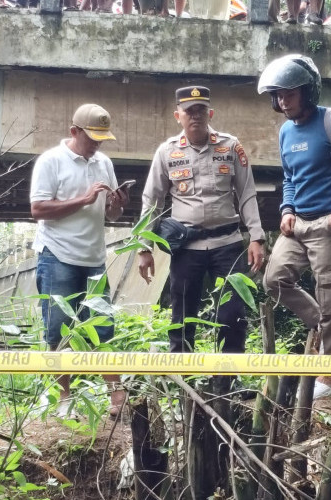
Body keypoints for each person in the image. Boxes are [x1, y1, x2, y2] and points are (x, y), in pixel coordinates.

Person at [257, 55, 331, 399]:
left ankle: (330, 375)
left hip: (329, 222)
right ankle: (320, 324)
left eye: (289, 95)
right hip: (298, 223)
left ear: (308, 92)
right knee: (274, 279)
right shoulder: (284, 132)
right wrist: (287, 208)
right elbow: (290, 177)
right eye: (278, 96)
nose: (282, 102)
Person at [138, 86, 266, 354]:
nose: (195, 116)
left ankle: (226, 383)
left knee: (232, 315)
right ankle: (185, 386)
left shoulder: (231, 147)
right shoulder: (166, 153)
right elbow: (152, 201)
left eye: (200, 110)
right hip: (187, 248)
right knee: (182, 317)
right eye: (189, 111)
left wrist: (257, 237)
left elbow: (246, 194)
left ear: (210, 113)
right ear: (178, 116)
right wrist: (144, 247)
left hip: (227, 245)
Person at [30, 103, 129, 418]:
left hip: (93, 257)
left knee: (103, 328)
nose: (97, 144)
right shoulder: (51, 161)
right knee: (58, 330)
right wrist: (84, 200)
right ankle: (63, 400)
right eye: (92, 137)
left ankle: (117, 399)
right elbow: (38, 209)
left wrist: (116, 205)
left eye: (102, 138)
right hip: (57, 255)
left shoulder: (104, 163)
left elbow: (111, 215)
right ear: (74, 131)